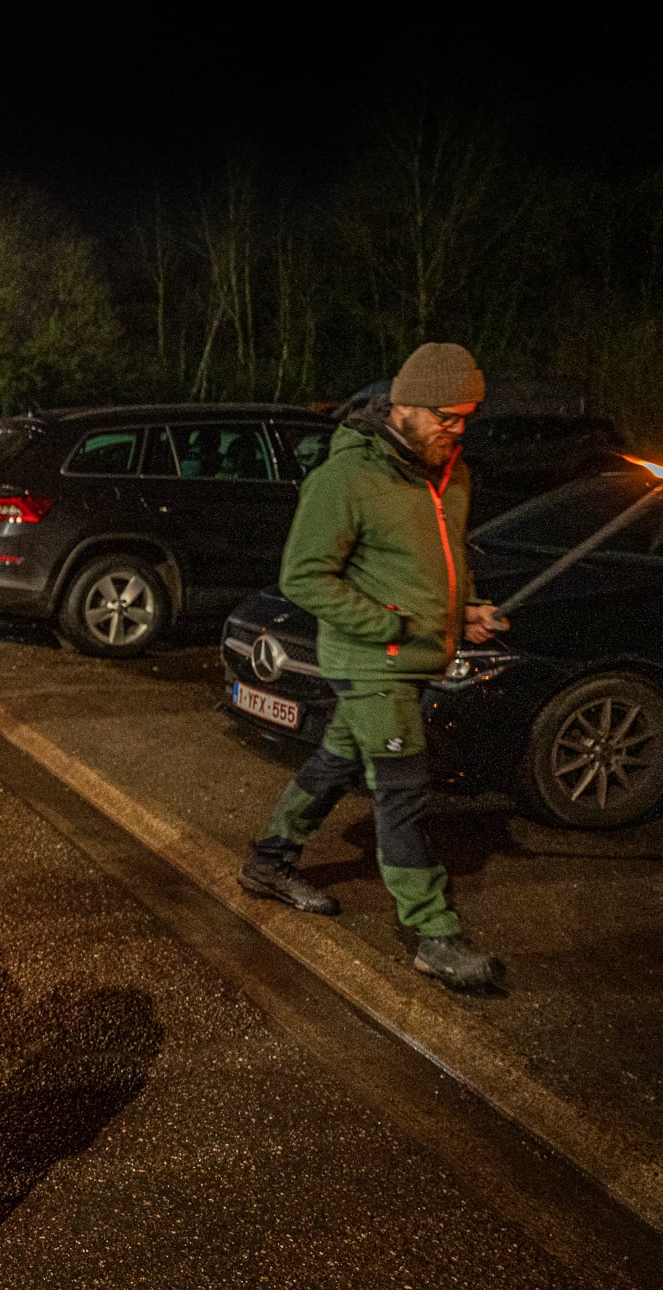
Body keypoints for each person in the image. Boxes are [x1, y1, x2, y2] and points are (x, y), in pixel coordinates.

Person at [239, 342, 506, 993]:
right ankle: (433, 934)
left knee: (335, 761)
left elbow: (448, 558)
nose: (458, 428)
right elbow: (303, 576)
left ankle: (269, 859)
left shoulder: (452, 475)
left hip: (414, 659)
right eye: (448, 415)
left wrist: (465, 607)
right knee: (404, 789)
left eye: (467, 416)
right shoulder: (347, 478)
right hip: (370, 661)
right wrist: (388, 623)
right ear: (406, 406)